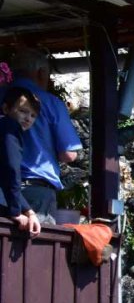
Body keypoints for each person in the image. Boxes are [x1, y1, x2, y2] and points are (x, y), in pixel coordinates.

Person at [6, 49, 82, 220]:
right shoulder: (50, 103)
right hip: (36, 191)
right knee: (32, 244)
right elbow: (69, 154)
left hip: (3, 189)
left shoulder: (3, 98)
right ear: (41, 72)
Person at [2, 85, 41, 236]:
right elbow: (11, 169)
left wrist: (29, 211)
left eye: (33, 115)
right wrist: (15, 211)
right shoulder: (10, 127)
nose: (28, 118)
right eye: (23, 111)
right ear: (6, 109)